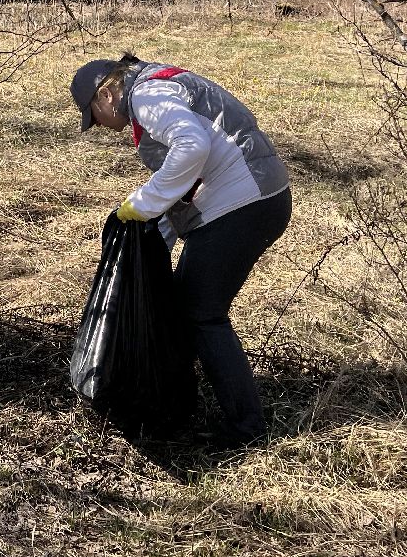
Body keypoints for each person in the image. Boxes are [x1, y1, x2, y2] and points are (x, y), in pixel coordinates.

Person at [71, 54, 291, 446]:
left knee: (201, 313)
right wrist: (152, 237)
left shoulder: (147, 95)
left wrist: (144, 203)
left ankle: (246, 429)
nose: (99, 125)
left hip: (245, 203)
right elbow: (188, 180)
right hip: (254, 197)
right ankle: (170, 396)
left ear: (105, 94)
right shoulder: (154, 86)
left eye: (93, 115)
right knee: (187, 303)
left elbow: (191, 147)